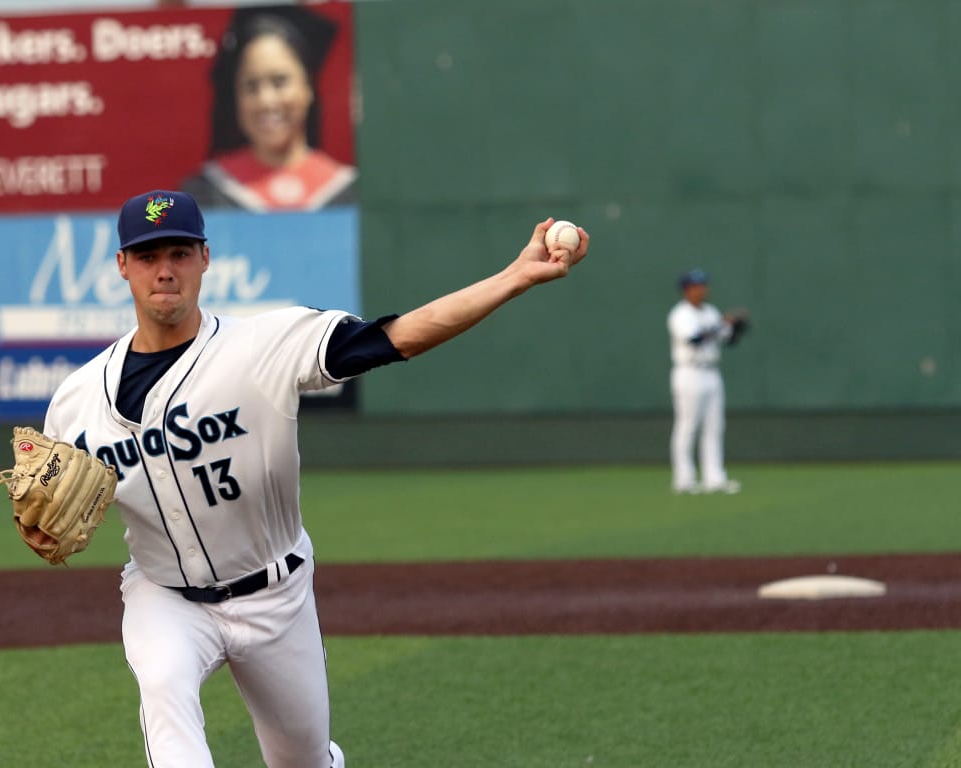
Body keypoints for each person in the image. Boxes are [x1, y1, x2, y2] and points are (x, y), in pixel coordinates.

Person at [43, 189, 589, 767]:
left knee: (301, 761)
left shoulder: (265, 345)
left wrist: (513, 277)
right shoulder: (76, 400)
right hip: (165, 596)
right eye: (148, 256)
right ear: (123, 265)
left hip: (274, 595)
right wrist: (42, 529)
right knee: (163, 687)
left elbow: (398, 336)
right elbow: (53, 512)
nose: (165, 270)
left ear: (204, 258)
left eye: (179, 252)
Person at [179, 8, 355, 212]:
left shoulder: (348, 192)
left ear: (308, 87)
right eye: (251, 86)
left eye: (280, 82)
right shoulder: (205, 194)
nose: (266, 101)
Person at [668, 268, 749, 495]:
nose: (701, 290)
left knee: (714, 426)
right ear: (686, 290)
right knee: (689, 426)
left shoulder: (710, 312)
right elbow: (694, 339)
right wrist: (723, 322)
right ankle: (684, 479)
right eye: (696, 286)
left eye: (703, 285)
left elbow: (728, 338)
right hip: (689, 373)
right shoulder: (680, 314)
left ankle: (714, 478)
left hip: (711, 372)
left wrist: (737, 327)